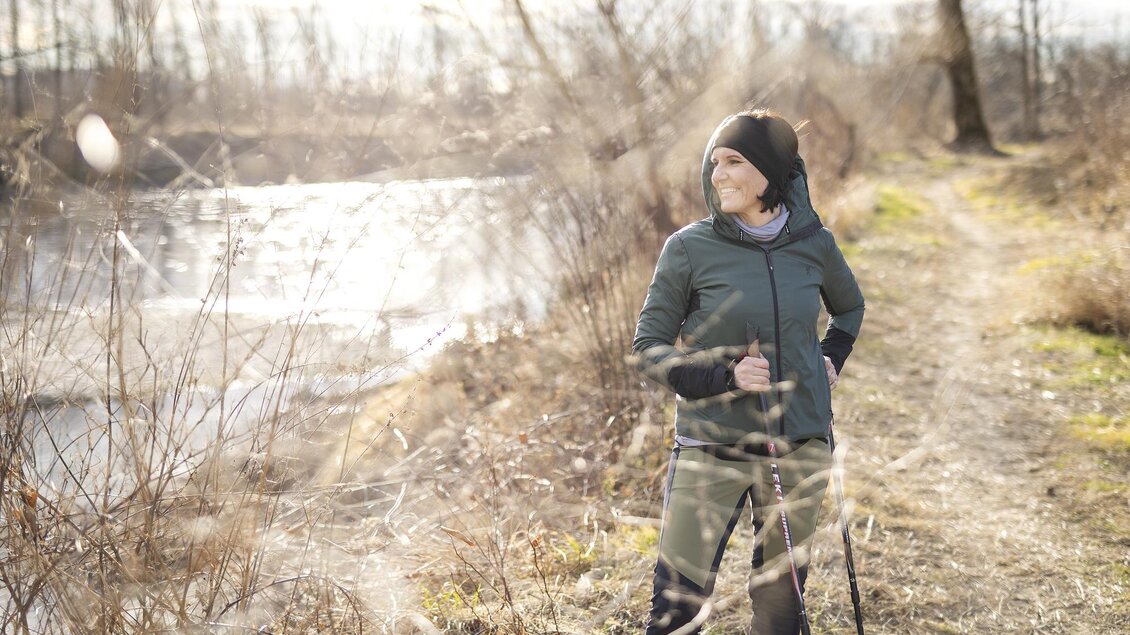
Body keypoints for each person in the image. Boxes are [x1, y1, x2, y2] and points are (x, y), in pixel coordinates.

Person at [632, 108, 865, 634]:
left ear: (770, 170)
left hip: (800, 442)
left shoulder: (815, 243)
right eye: (715, 162)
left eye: (734, 161)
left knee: (781, 610)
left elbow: (850, 307)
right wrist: (725, 376)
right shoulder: (689, 248)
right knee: (676, 609)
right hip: (711, 447)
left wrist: (831, 357)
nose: (718, 175)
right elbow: (648, 347)